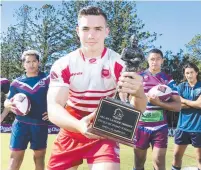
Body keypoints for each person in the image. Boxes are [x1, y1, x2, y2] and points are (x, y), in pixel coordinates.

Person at [47, 6, 147, 170]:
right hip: (71, 128)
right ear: (78, 31)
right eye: (86, 29)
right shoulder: (63, 64)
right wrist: (79, 126)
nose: (91, 35)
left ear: (107, 31)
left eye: (98, 29)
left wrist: (139, 93)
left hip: (104, 130)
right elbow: (54, 107)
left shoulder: (119, 63)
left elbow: (136, 109)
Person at [133, 49, 181, 170]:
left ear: (162, 61)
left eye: (158, 59)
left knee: (159, 162)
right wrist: (141, 99)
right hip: (140, 126)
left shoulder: (168, 80)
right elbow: (131, 101)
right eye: (152, 59)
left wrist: (158, 103)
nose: (155, 62)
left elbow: (177, 106)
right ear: (148, 61)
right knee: (139, 162)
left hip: (160, 127)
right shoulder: (138, 77)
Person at [4, 50, 49, 170]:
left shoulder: (47, 79)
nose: (31, 64)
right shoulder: (16, 83)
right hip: (20, 124)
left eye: (34, 61)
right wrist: (7, 104)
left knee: (39, 158)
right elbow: (7, 101)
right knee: (15, 158)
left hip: (40, 124)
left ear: (39, 62)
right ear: (23, 64)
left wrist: (52, 112)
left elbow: (59, 96)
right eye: (28, 62)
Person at [172, 63, 201, 170]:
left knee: (200, 159)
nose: (189, 75)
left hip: (198, 128)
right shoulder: (181, 86)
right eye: (187, 73)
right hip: (182, 127)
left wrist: (183, 100)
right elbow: (176, 104)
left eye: (192, 72)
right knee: (176, 156)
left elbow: (200, 104)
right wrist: (194, 103)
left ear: (196, 72)